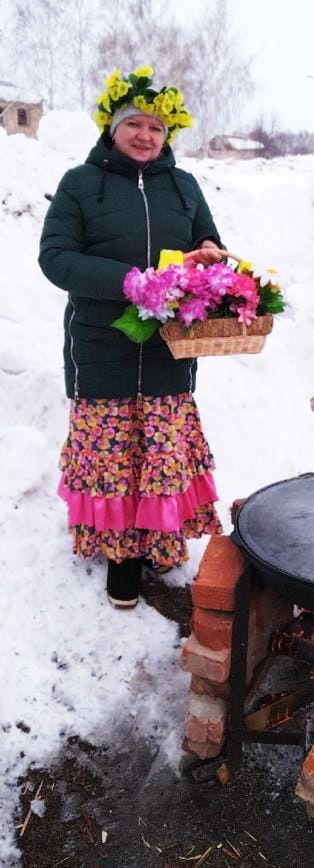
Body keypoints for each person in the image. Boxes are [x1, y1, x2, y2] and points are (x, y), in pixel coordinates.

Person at [39, 65, 225, 609]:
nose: (145, 135)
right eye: (134, 124)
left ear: (168, 135)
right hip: (102, 345)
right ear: (112, 128)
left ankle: (160, 537)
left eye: (157, 128)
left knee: (160, 450)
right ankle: (122, 555)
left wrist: (211, 252)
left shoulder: (183, 185)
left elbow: (207, 238)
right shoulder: (81, 182)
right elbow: (55, 258)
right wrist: (128, 283)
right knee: (113, 455)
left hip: (170, 347)